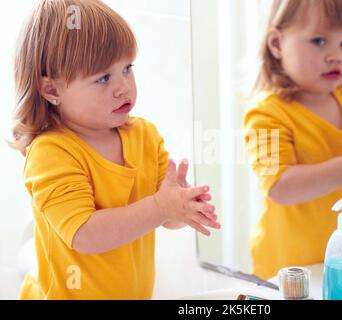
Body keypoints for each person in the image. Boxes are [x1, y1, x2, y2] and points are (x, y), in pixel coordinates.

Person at [9, 0, 220, 299]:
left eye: (127, 68)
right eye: (103, 78)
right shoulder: (51, 153)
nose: (124, 87)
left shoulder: (144, 136)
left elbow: (163, 217)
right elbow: (85, 234)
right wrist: (161, 206)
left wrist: (180, 206)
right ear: (52, 90)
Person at [244, 0, 342, 279]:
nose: (336, 55)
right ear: (277, 44)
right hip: (291, 272)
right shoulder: (266, 114)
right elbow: (279, 186)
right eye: (319, 41)